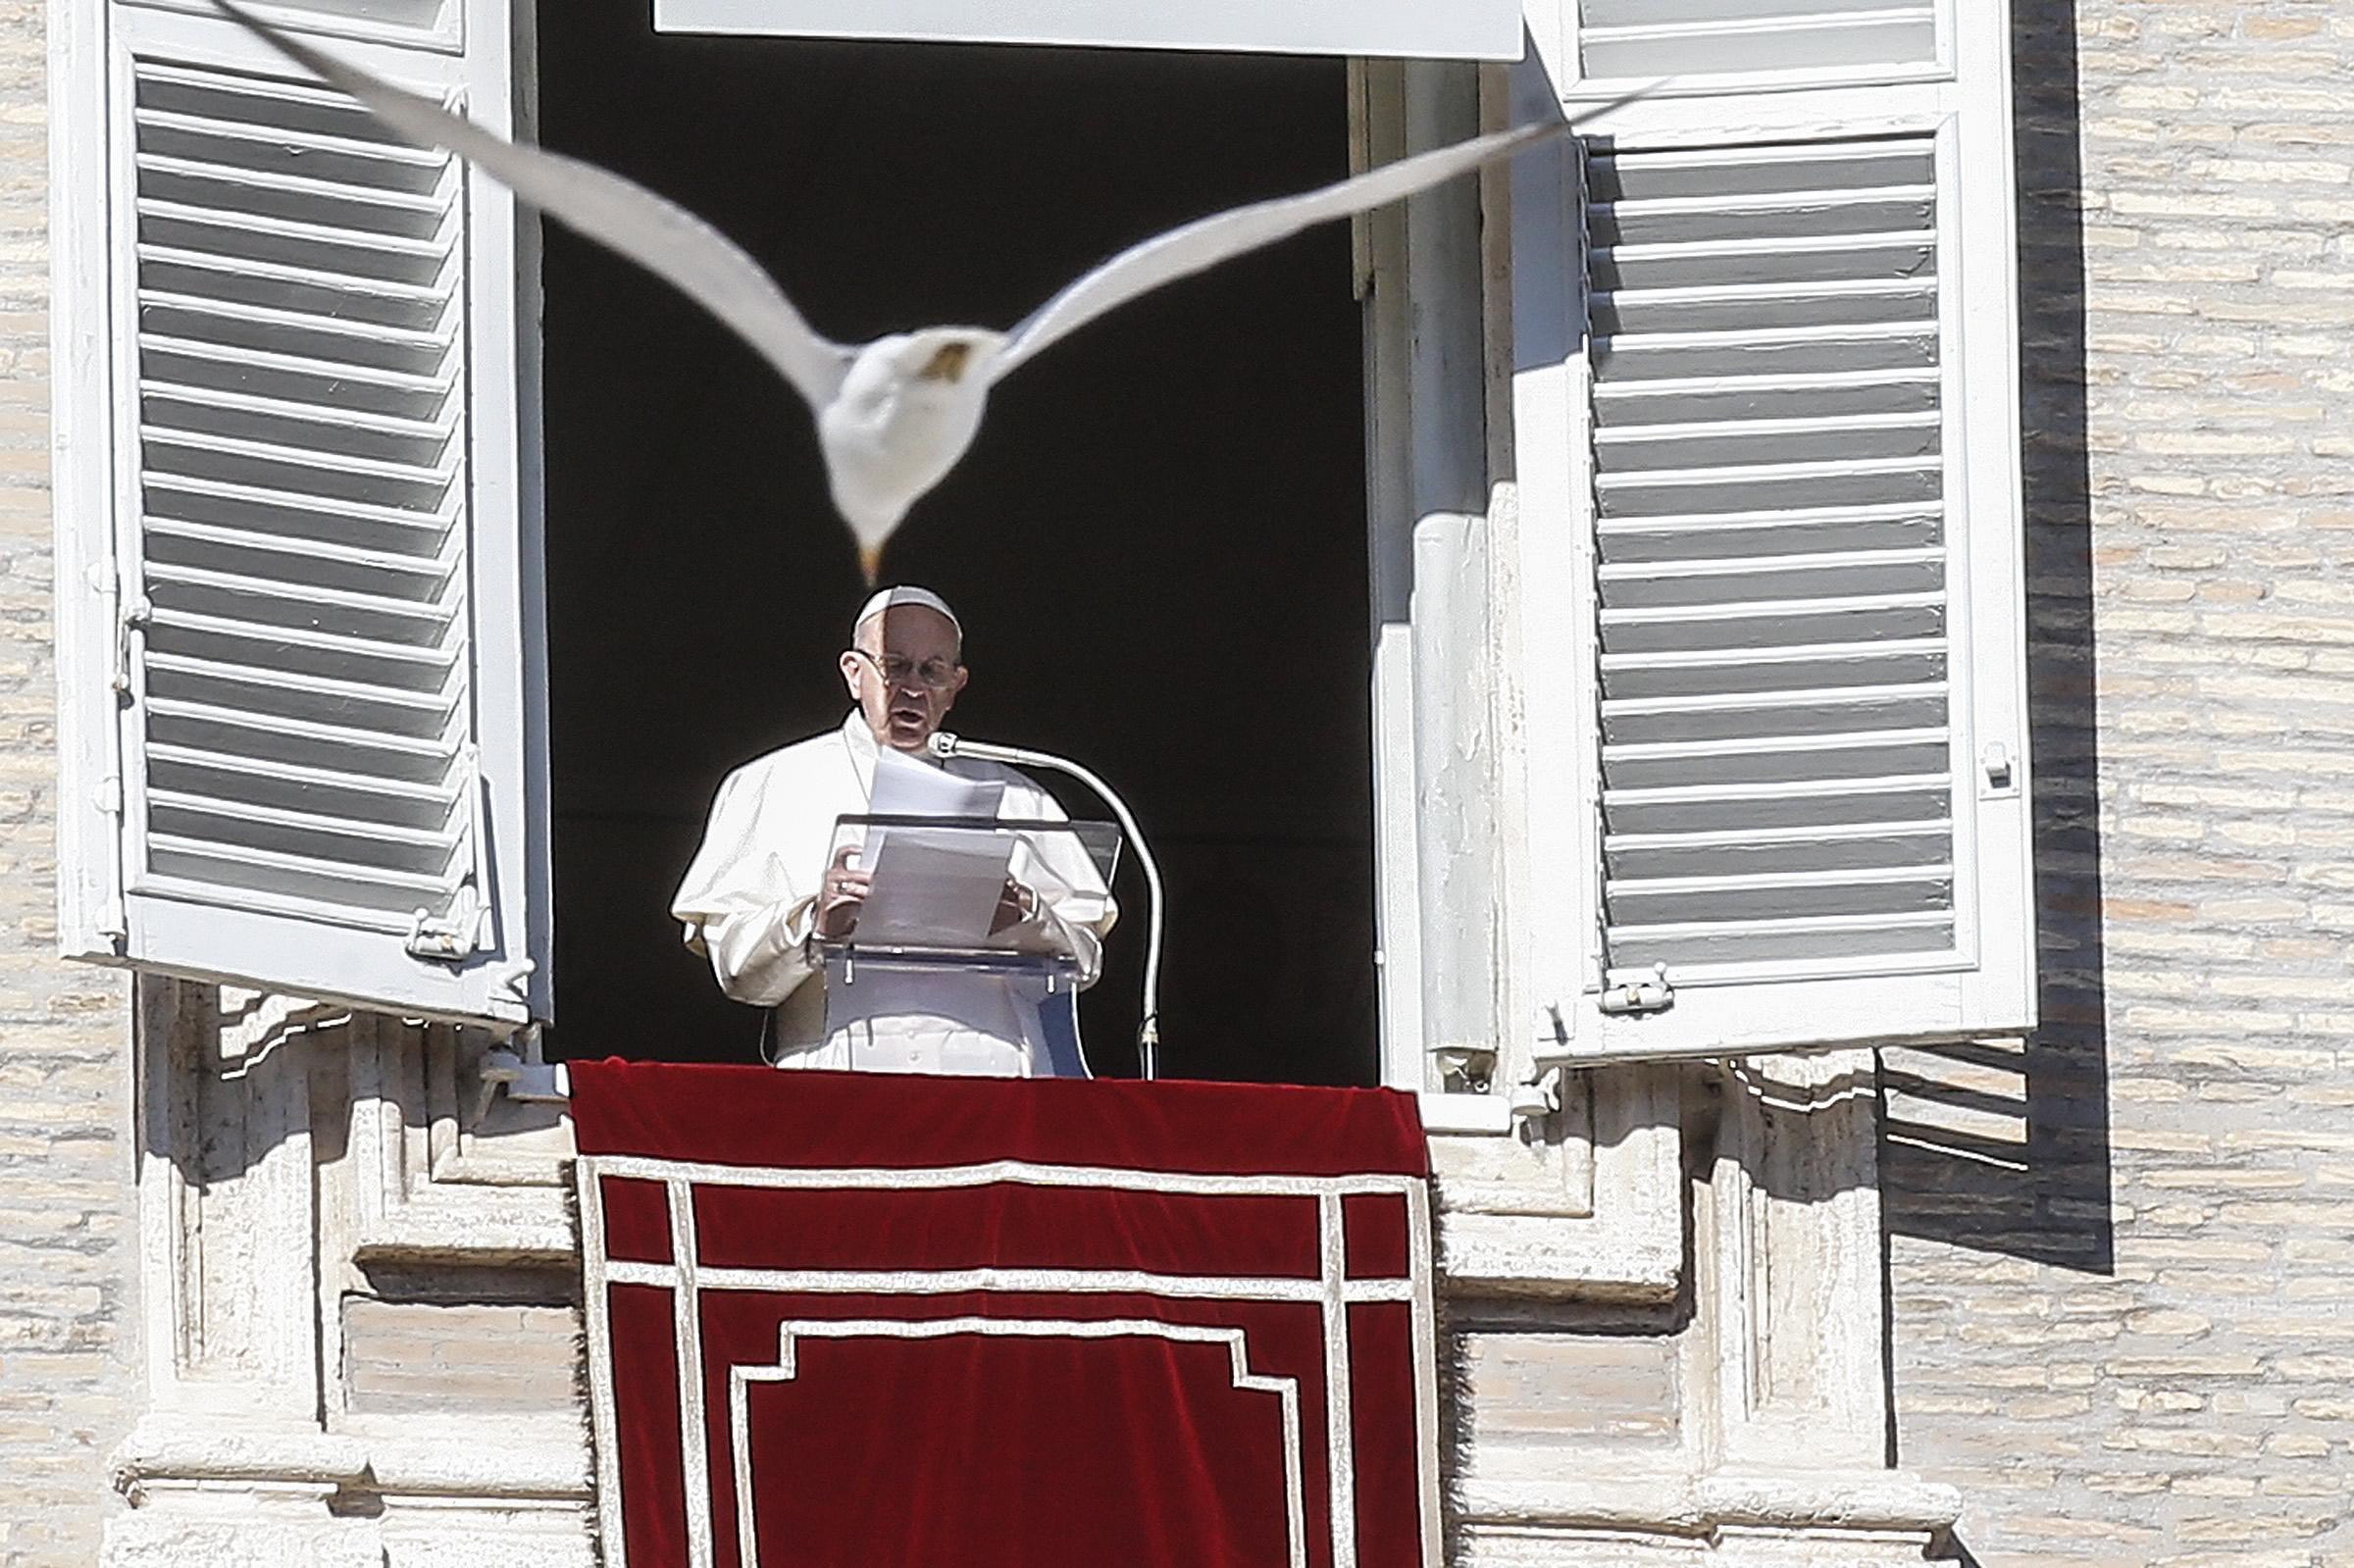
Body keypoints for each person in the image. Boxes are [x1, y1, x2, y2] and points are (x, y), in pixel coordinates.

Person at [671, 586, 1115, 1076]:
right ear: (854, 674)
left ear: (956, 684)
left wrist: (1024, 915)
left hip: (996, 1073)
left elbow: (1085, 959)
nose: (912, 688)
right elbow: (734, 968)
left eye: (932, 671)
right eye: (895, 666)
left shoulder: (1021, 797)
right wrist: (814, 921)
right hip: (838, 1074)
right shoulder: (771, 783)